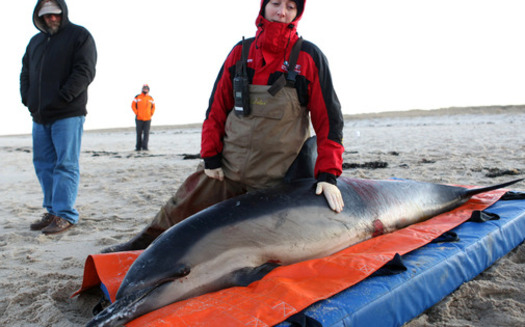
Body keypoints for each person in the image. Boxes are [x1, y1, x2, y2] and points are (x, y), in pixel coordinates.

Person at [103, 0, 344, 252]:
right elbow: (216, 109)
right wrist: (210, 157)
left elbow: (329, 120)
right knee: (181, 206)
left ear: (298, 12)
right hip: (227, 169)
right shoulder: (240, 53)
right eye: (275, 3)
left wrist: (328, 175)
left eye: (290, 7)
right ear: (263, 6)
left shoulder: (308, 56)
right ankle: (139, 247)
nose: (282, 12)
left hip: (275, 180)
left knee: (259, 243)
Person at [20, 0, 97, 235]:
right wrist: (28, 98)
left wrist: (63, 97)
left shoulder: (79, 35)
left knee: (65, 164)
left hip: (68, 113)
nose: (51, 19)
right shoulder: (35, 42)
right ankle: (52, 211)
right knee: (43, 165)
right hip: (40, 114)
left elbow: (85, 70)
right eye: (46, 15)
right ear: (40, 17)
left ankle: (65, 215)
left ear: (62, 12)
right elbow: (25, 72)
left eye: (55, 14)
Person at [132, 84, 156, 151]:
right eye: (144, 88)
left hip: (147, 119)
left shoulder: (151, 98)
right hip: (139, 118)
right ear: (142, 89)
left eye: (146, 88)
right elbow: (133, 106)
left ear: (148, 89)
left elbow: (153, 107)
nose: (145, 89)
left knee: (146, 133)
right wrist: (137, 113)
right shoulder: (137, 97)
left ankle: (145, 147)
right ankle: (138, 147)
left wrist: (151, 114)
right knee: (139, 133)